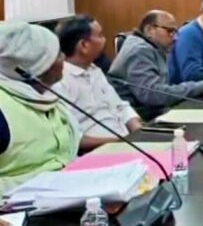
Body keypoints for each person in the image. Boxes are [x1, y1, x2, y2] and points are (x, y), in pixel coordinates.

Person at [0, 21, 80, 193]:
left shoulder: (45, 96)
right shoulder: (3, 109)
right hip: (17, 206)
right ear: (40, 65)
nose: (64, 58)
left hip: (65, 192)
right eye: (58, 54)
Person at [109, 10, 203, 120]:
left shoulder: (154, 48)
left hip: (152, 112)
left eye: (175, 32)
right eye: (170, 31)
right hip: (138, 120)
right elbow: (154, 95)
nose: (176, 38)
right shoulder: (139, 51)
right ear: (149, 30)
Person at [55, 15, 143, 151]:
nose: (104, 40)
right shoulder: (59, 81)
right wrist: (120, 141)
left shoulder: (94, 69)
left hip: (126, 143)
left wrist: (138, 131)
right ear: (84, 45)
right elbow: (72, 138)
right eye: (100, 35)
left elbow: (120, 106)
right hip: (98, 151)